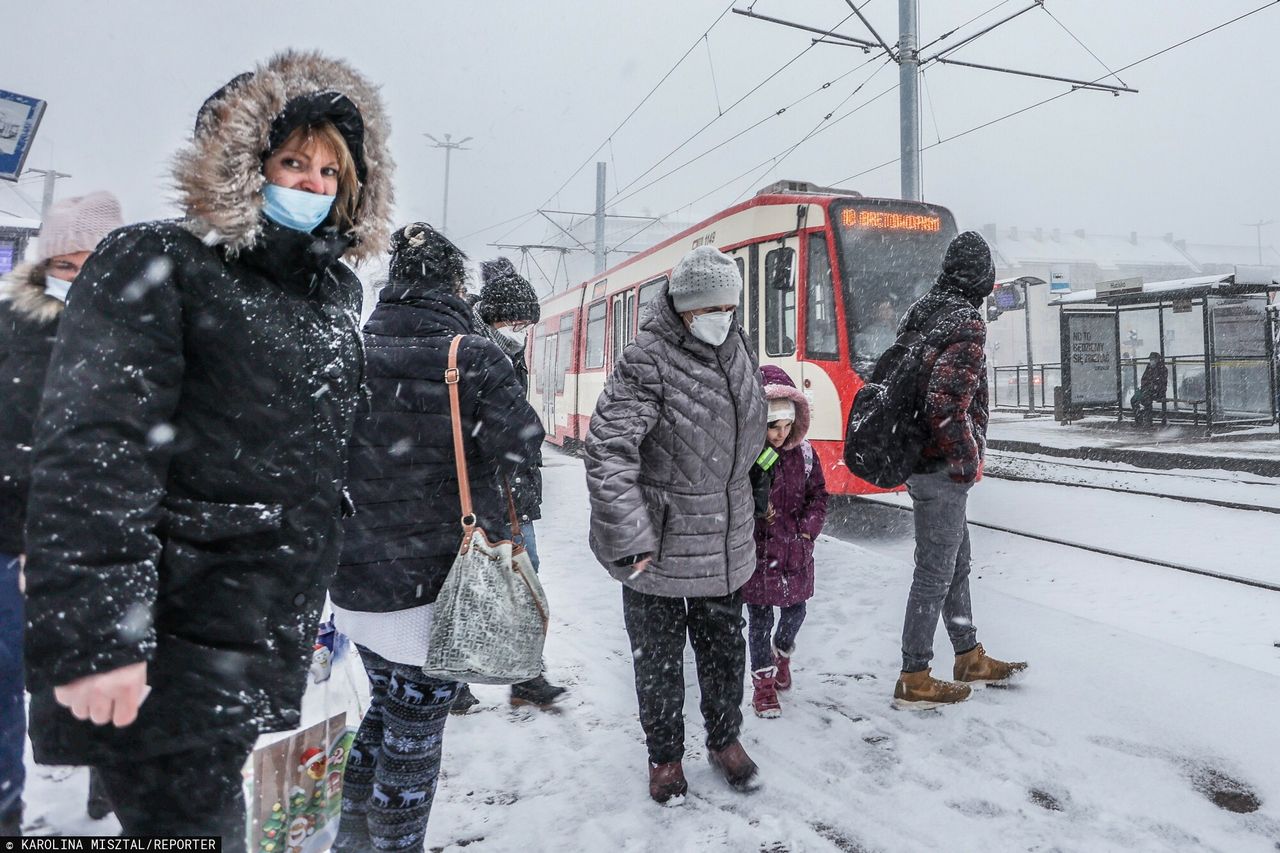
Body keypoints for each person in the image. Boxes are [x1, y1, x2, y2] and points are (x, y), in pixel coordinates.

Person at [21, 50, 393, 845]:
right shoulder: (160, 263)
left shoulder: (331, 296)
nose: (313, 184)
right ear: (243, 161)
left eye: (333, 169)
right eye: (292, 159)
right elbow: (98, 453)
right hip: (169, 636)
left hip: (257, 632)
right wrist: (98, 639)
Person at [329, 223, 544, 851]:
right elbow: (522, 455)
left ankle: (349, 840)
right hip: (437, 589)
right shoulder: (472, 356)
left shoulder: (350, 348)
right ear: (456, 285)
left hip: (357, 585)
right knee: (414, 738)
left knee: (385, 715)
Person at [584, 245, 767, 805]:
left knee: (723, 651)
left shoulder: (737, 350)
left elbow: (747, 438)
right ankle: (664, 757)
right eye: (710, 310)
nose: (723, 319)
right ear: (684, 310)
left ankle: (724, 741)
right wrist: (629, 536)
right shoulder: (646, 360)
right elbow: (609, 453)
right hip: (658, 548)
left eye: (730, 308)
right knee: (659, 662)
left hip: (723, 540)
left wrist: (763, 477)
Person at [0, 191, 124, 835]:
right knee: (6, 678)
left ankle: (107, 793)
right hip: (10, 538)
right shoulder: (7, 324)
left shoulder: (137, 334)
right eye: (64, 264)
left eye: (91, 264)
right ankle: (5, 808)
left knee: (102, 676)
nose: (76, 278)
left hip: (100, 543)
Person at [892, 231, 1027, 710]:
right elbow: (944, 405)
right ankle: (915, 674)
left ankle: (968, 654)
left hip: (917, 457)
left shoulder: (923, 309)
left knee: (956, 562)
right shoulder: (965, 321)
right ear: (984, 279)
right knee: (934, 570)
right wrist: (967, 461)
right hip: (940, 466)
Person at [460, 256, 566, 712]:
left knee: (527, 580)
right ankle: (455, 679)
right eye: (514, 321)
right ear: (492, 318)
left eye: (527, 323)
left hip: (515, 493)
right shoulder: (472, 354)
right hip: (477, 494)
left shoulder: (511, 356)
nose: (521, 329)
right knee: (471, 584)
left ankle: (527, 674)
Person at [740, 365, 828, 719]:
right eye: (772, 426)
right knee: (759, 623)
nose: (780, 433)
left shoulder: (804, 455)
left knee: (796, 611)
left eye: (786, 425)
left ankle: (783, 651)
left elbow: (818, 495)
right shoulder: (748, 457)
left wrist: (808, 529)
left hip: (795, 553)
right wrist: (756, 512)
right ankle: (763, 687)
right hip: (760, 557)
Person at [854, 297, 900, 364]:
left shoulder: (899, 328)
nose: (887, 311)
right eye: (883, 309)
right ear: (876, 312)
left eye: (889, 308)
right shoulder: (869, 331)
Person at [1132, 351, 1168, 428]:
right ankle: (1139, 420)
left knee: (1146, 399)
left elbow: (1161, 382)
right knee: (1134, 400)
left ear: (1158, 359)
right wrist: (1147, 385)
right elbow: (1143, 379)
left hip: (1158, 392)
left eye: (1153, 359)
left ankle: (1148, 421)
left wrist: (1152, 385)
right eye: (1151, 359)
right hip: (1146, 390)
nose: (1151, 361)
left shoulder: (1163, 369)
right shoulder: (1149, 367)